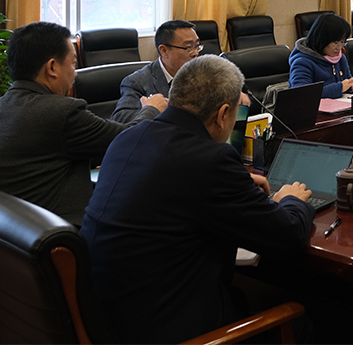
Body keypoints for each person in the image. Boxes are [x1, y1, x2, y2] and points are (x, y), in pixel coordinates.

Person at [83, 55, 314, 344]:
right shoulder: (211, 160)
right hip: (174, 332)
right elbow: (287, 236)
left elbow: (176, 190)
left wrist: (236, 185)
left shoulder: (127, 138)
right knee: (303, 322)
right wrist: (291, 200)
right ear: (223, 114)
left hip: (111, 322)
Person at [0, 22, 166, 296]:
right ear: (52, 67)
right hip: (29, 264)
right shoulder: (60, 112)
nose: (74, 74)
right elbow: (127, 141)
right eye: (72, 64)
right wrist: (151, 109)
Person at [112, 20, 200, 124]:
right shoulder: (137, 82)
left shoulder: (201, 74)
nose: (195, 53)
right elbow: (120, 118)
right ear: (164, 51)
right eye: (188, 48)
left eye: (197, 46)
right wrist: (152, 109)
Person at [288, 12, 353, 98]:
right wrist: (340, 88)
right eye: (335, 42)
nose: (339, 47)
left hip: (339, 104)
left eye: (342, 42)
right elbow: (302, 94)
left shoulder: (341, 59)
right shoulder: (302, 62)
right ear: (322, 39)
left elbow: (346, 83)